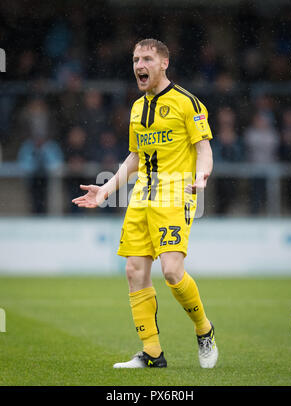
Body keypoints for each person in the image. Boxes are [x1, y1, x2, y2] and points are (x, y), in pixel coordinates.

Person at [72, 38, 218, 369]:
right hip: (142, 194)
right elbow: (135, 158)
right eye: (136, 58)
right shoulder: (137, 108)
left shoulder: (187, 102)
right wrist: (105, 190)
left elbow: (204, 149)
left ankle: (204, 328)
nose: (140, 64)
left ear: (164, 63)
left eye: (148, 58)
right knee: (134, 270)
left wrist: (203, 175)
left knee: (170, 271)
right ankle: (152, 352)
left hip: (175, 191)